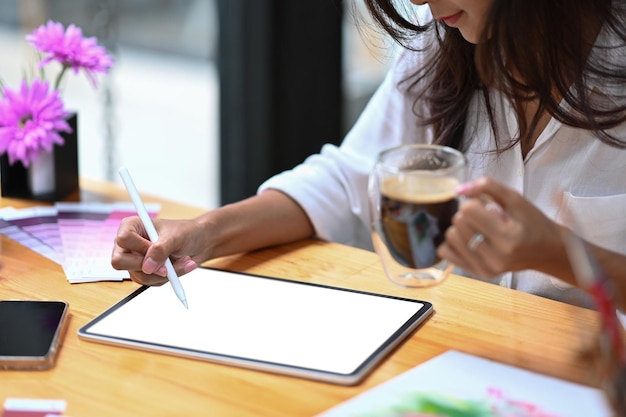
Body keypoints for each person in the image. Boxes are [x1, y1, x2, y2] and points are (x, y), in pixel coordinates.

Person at [112, 0, 626, 310]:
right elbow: (349, 180)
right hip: (465, 363)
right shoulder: (444, 46)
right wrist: (204, 233)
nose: (422, 2)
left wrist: (560, 253)